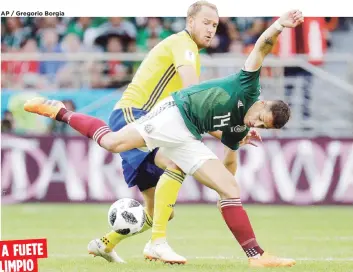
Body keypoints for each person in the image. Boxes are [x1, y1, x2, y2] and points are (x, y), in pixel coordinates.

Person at [24, 10, 303, 267]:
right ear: (262, 102)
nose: (256, 124)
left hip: (186, 132)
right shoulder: (241, 81)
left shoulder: (239, 127)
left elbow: (229, 161)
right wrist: (279, 25)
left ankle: (256, 256)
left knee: (224, 189)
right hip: (167, 114)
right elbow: (258, 50)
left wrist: (226, 178)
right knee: (119, 145)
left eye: (262, 127)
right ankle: (60, 111)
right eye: (260, 118)